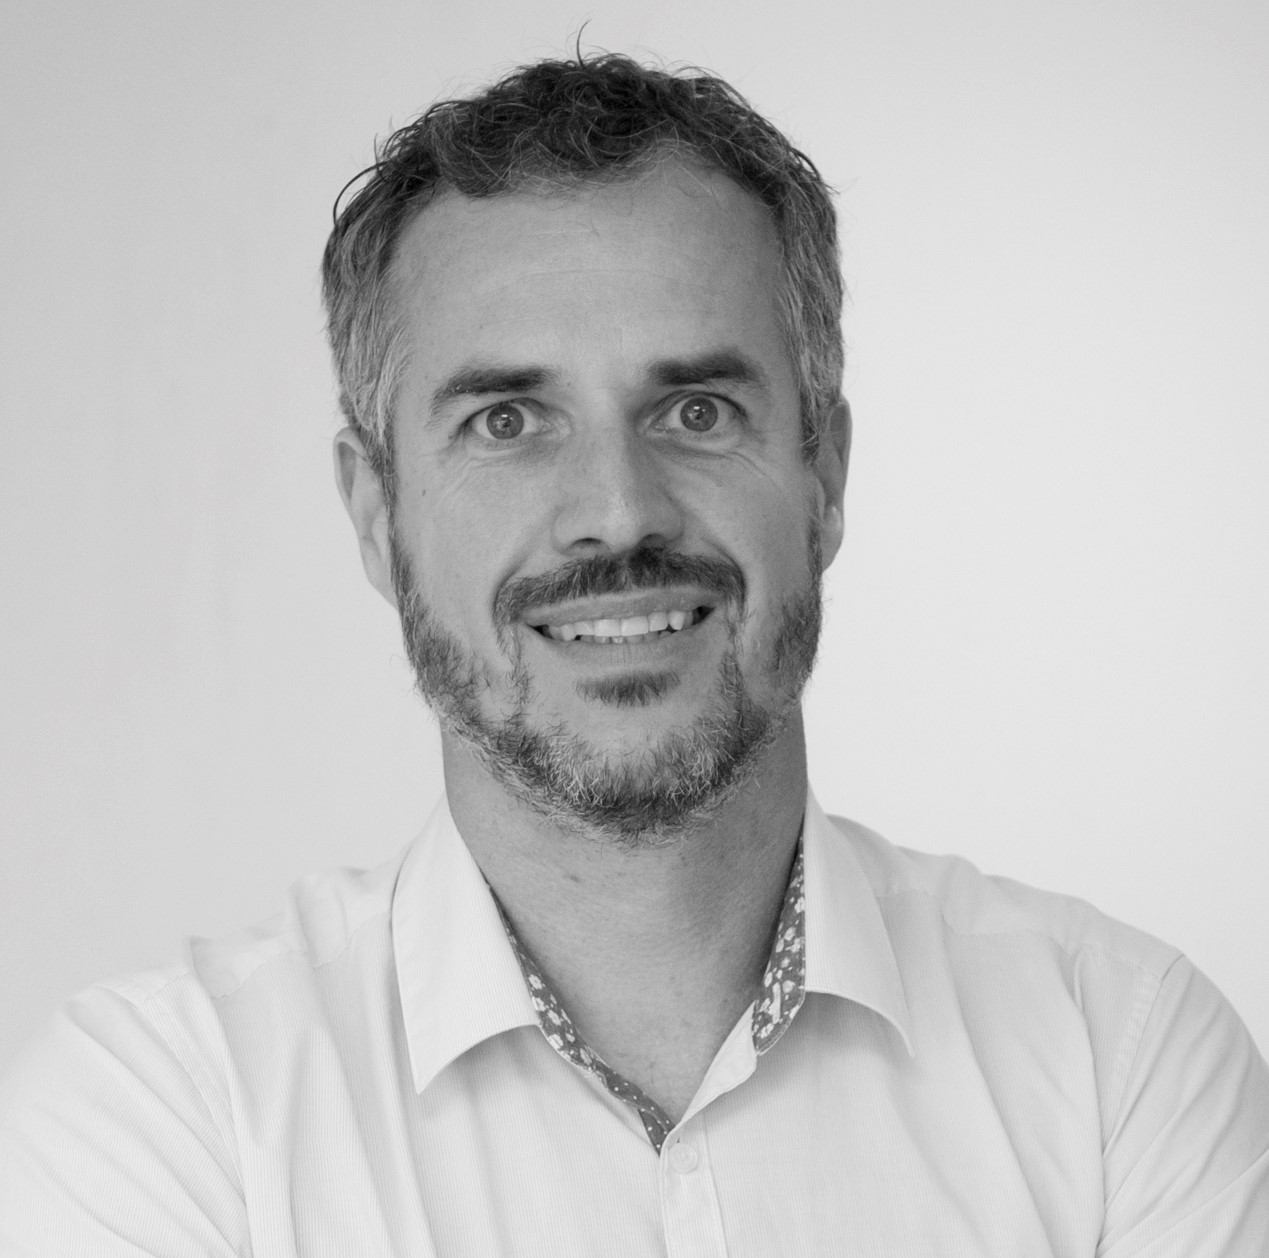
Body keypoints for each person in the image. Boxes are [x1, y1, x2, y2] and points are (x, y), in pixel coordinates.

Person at [2, 51, 1266, 1257]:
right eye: (509, 421)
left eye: (696, 411)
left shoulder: (1121, 1059)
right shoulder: (167, 1118)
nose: (617, 510)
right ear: (377, 516)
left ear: (825, 477)